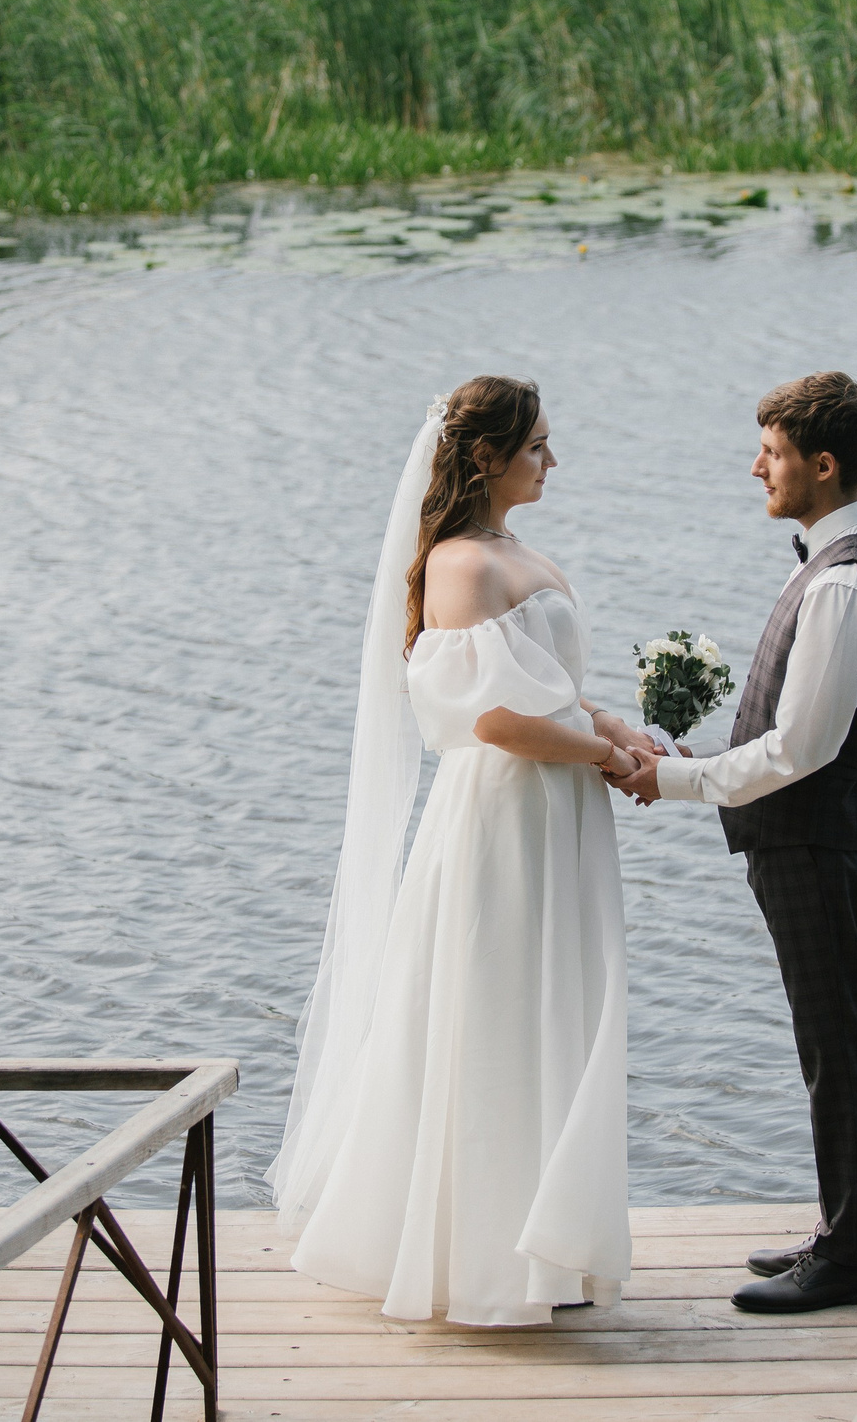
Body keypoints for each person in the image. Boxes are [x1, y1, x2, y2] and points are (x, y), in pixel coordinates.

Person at [270, 377, 661, 1325]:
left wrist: (617, 725)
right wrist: (606, 753)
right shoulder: (460, 566)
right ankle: (477, 1258)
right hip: (504, 820)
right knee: (493, 1016)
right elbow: (493, 717)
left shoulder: (509, 550)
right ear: (484, 456)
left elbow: (547, 690)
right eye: (536, 446)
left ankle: (547, 1249)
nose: (552, 461)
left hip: (555, 811)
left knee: (550, 1010)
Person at [615, 371, 857, 1314]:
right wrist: (704, 757)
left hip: (820, 843)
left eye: (771, 454)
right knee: (835, 1041)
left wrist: (679, 779)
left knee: (840, 1043)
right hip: (807, 841)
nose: (755, 467)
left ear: (823, 465)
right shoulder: (821, 563)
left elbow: (806, 749)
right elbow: (786, 734)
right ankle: (844, 1227)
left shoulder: (846, 582)